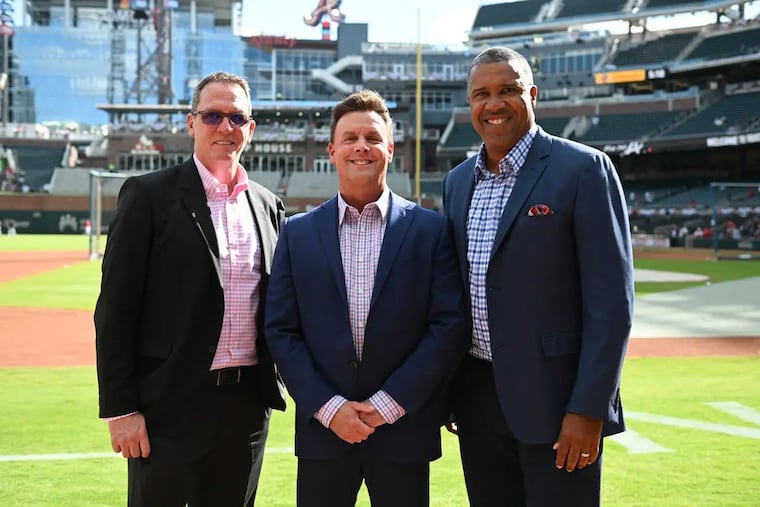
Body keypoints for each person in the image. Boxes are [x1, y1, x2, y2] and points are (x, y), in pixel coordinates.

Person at [442, 47, 634, 506]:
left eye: (507, 90)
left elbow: (612, 306)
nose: (493, 104)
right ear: (470, 105)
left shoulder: (583, 169)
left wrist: (589, 409)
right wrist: (450, 393)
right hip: (477, 399)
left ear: (532, 94)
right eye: (481, 94)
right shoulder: (457, 181)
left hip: (557, 401)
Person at [265, 89, 468, 507]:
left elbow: (447, 327)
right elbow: (281, 330)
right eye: (351, 138)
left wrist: (388, 405)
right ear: (333, 150)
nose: (362, 146)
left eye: (373, 138)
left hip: (403, 432)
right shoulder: (297, 233)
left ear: (390, 149)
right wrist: (328, 407)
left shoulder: (430, 230)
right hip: (324, 433)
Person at [94, 71, 286, 507]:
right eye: (213, 115)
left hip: (245, 407)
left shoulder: (267, 205)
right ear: (191, 123)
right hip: (168, 405)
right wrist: (121, 410)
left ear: (250, 129)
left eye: (237, 117)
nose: (226, 127)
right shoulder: (148, 196)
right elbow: (115, 310)